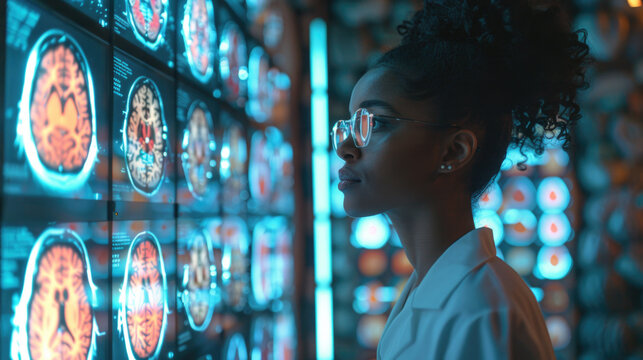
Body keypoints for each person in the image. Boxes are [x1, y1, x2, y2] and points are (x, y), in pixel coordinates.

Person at [331, 0, 590, 358]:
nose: (345, 147)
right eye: (347, 126)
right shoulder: (431, 291)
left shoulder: (480, 311)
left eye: (373, 123)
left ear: (453, 152)